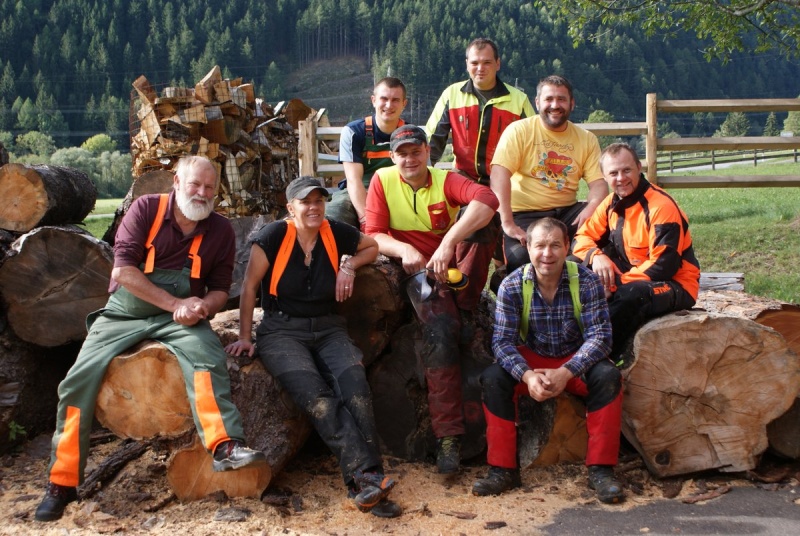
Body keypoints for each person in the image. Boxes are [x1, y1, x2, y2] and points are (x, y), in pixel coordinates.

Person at [34, 156, 267, 522]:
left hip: (181, 319)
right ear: (177, 182)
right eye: (195, 184)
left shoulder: (221, 229)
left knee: (208, 359)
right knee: (77, 381)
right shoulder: (146, 210)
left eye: (209, 187)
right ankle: (61, 482)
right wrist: (174, 303)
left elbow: (221, 290)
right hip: (125, 314)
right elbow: (123, 272)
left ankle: (225, 445)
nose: (202, 193)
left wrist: (202, 306)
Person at [224, 176, 400, 518]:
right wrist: (245, 336)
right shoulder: (273, 236)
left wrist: (349, 265)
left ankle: (369, 482)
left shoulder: (335, 231)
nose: (314, 207)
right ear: (291, 208)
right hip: (281, 331)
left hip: (328, 326)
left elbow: (372, 246)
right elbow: (249, 287)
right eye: (305, 202)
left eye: (319, 200)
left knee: (355, 386)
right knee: (318, 398)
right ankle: (366, 478)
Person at [365, 125, 498, 474]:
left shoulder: (445, 179)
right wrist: (405, 249)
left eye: (416, 151)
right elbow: (373, 234)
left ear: (428, 152)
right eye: (402, 153)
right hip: (417, 274)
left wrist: (449, 242)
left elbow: (488, 199)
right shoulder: (382, 180)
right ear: (392, 157)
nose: (410, 159)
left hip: (452, 268)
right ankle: (448, 437)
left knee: (485, 224)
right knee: (440, 334)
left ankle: (467, 307)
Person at [473, 217, 624, 504]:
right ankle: (503, 470)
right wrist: (527, 376)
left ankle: (601, 471)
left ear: (567, 247)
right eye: (540, 246)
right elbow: (502, 343)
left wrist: (566, 372)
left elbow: (600, 338)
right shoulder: (512, 285)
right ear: (528, 248)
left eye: (555, 245)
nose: (547, 253)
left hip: (575, 361)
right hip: (532, 361)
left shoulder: (587, 281)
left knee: (608, 376)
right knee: (493, 378)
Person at [425, 37, 535, 304]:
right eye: (475, 63)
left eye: (487, 62)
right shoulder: (452, 95)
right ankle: (463, 297)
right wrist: (424, 179)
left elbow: (534, 145)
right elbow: (432, 142)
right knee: (474, 225)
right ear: (467, 64)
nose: (480, 68)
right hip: (464, 180)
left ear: (498, 64)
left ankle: (474, 294)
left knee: (496, 232)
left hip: (505, 182)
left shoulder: (518, 100)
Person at [571, 142, 700, 361]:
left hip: (675, 284)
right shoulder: (610, 203)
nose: (621, 178)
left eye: (627, 170)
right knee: (570, 267)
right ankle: (561, 343)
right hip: (629, 273)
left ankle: (598, 358)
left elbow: (663, 266)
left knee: (631, 295)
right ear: (604, 176)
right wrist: (596, 255)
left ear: (639, 168)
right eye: (614, 173)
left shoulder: (661, 207)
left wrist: (613, 284)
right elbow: (581, 238)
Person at [490, 74, 609, 274]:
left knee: (604, 238)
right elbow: (498, 174)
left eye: (561, 99)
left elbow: (599, 184)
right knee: (521, 260)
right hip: (525, 214)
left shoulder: (586, 139)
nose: (555, 105)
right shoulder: (519, 131)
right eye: (549, 99)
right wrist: (508, 223)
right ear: (537, 102)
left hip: (568, 213)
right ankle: (505, 278)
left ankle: (588, 281)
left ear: (572, 103)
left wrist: (592, 206)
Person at [327, 77, 408, 229]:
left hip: (399, 191)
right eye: (384, 99)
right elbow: (353, 180)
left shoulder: (411, 134)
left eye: (395, 100)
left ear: (404, 103)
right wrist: (365, 219)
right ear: (374, 100)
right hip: (359, 191)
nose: (389, 105)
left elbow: (421, 176)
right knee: (334, 214)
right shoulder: (353, 131)